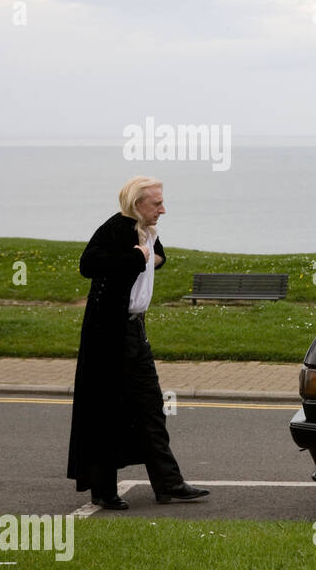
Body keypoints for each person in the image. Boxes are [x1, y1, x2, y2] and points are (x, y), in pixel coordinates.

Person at [66, 177, 209, 509]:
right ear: (136, 205)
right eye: (156, 204)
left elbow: (156, 255)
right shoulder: (116, 228)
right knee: (106, 411)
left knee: (150, 407)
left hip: (134, 331)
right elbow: (88, 264)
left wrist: (151, 256)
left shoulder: (145, 231)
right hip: (107, 335)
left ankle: (169, 484)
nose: (163, 209)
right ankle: (103, 490)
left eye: (162, 202)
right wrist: (136, 257)